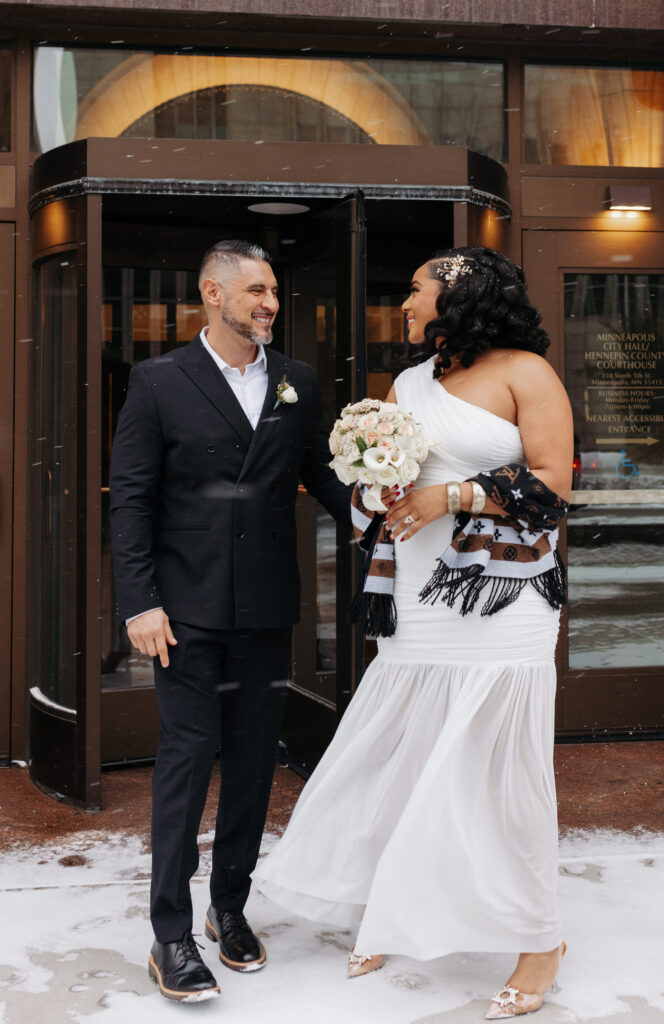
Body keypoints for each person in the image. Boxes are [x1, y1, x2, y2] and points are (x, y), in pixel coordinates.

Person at [254, 246, 573, 1020]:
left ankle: (539, 940)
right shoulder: (407, 384)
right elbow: (384, 487)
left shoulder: (524, 372)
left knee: (499, 776)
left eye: (415, 289)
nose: (404, 302)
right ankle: (393, 906)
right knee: (399, 759)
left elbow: (554, 483)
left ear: (459, 297)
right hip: (419, 602)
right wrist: (381, 482)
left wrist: (453, 495)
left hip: (501, 603)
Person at [109, 239, 351, 1003]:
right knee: (186, 761)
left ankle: (229, 907)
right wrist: (139, 601)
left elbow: (318, 471)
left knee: (252, 762)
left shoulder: (296, 381)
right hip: (183, 609)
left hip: (267, 605)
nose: (269, 302)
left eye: (273, 290)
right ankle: (170, 934)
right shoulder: (157, 382)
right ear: (212, 295)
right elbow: (133, 500)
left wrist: (377, 514)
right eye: (254, 290)